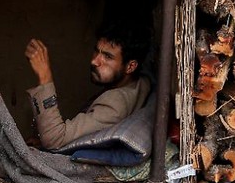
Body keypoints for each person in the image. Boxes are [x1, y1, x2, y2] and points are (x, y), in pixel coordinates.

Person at [24, 23, 151, 151]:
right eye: (96, 51)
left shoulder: (115, 104)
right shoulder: (142, 82)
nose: (94, 61)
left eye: (108, 57)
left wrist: (45, 77)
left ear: (130, 66)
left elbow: (55, 139)